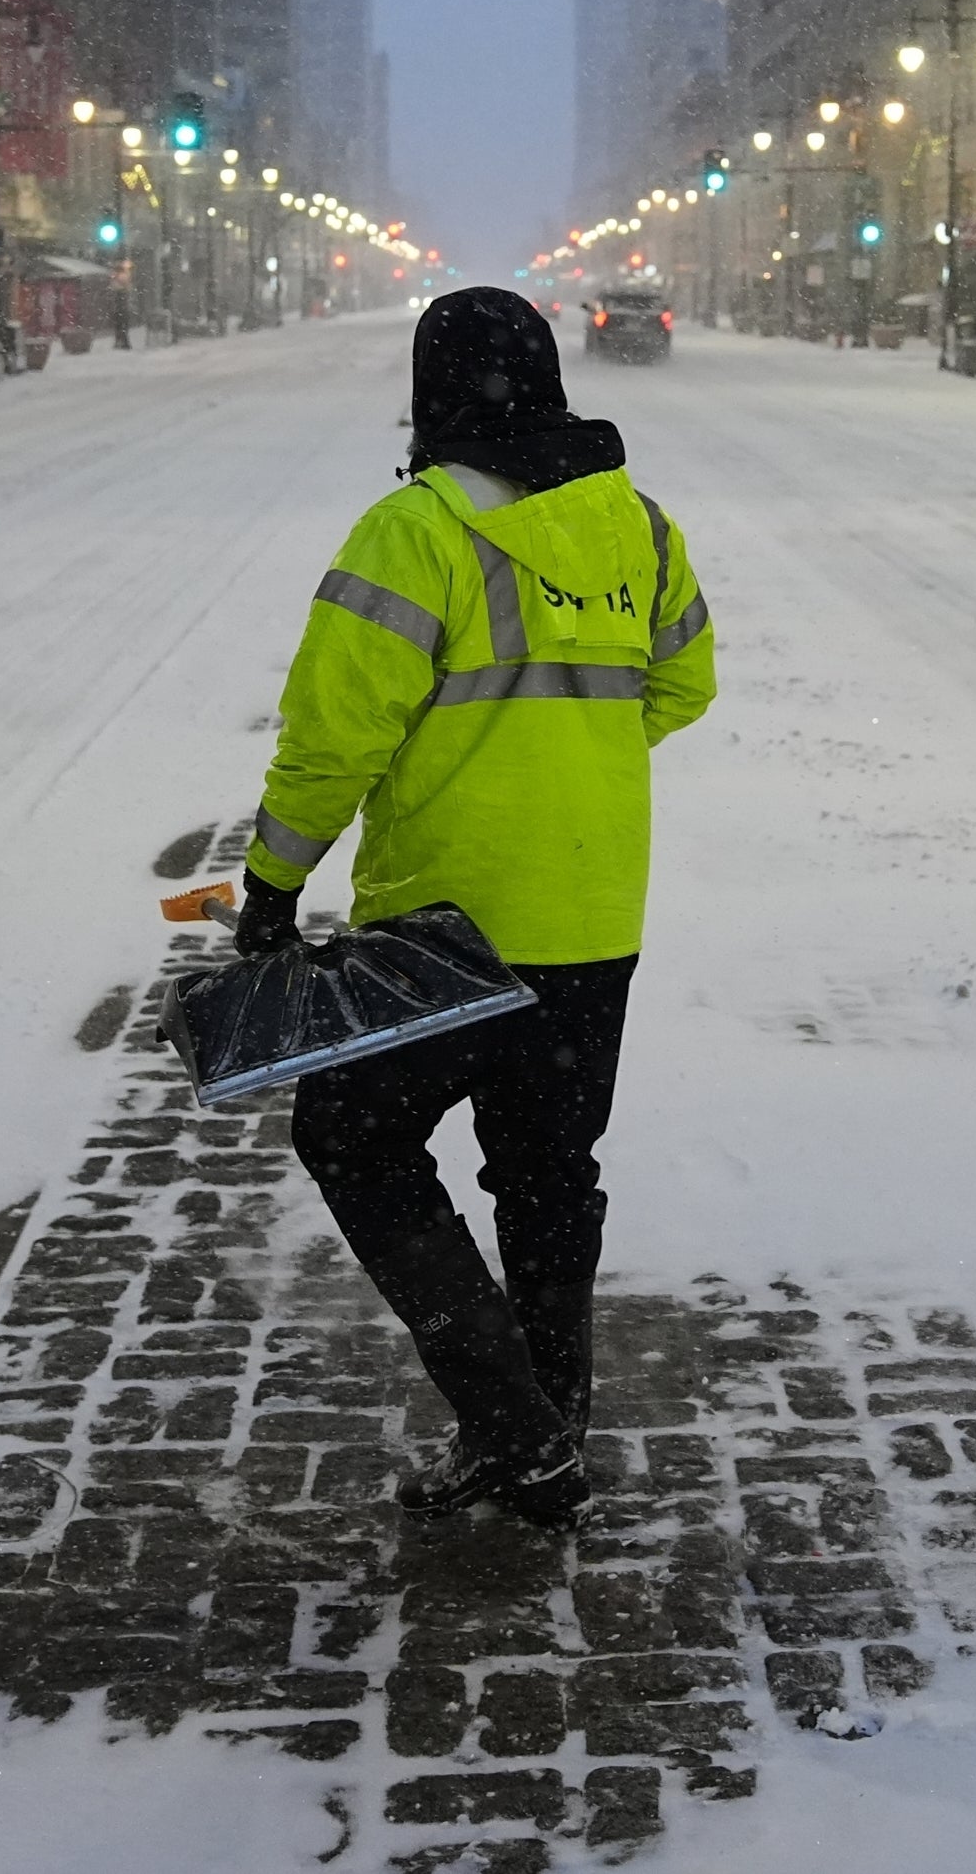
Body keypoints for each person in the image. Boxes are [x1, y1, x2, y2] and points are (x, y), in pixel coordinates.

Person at [233, 286, 717, 1530]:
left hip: (446, 919)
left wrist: (272, 881)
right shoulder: (640, 526)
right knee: (549, 1174)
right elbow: (684, 680)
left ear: (431, 387)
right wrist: (574, 762)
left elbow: (333, 737)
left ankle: (510, 1423)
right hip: (594, 910)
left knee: (351, 1135)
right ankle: (546, 1424)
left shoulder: (413, 529)